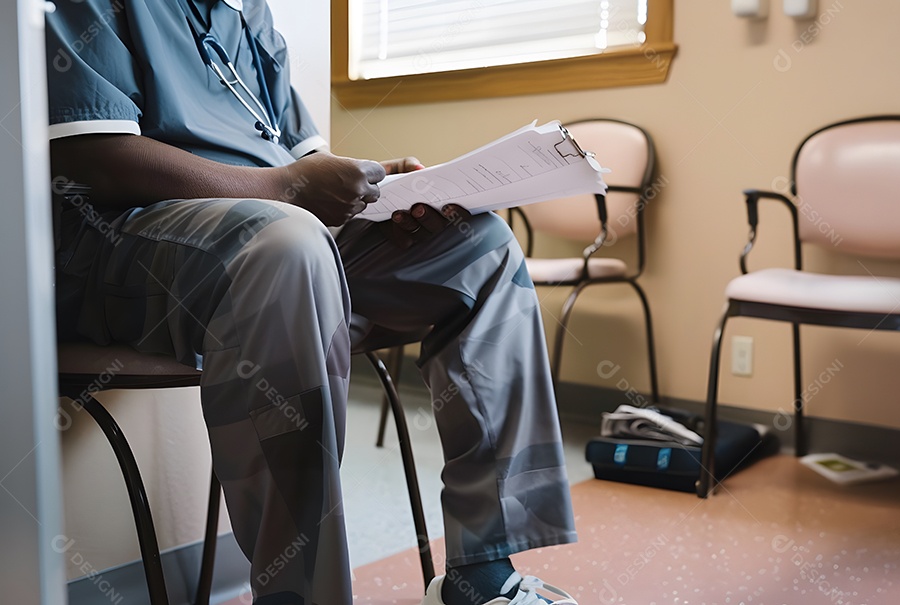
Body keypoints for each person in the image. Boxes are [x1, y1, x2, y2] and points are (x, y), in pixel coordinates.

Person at [45, 1, 578, 603]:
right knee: (290, 247)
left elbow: (303, 161)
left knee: (478, 244)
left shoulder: (246, 14)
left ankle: (480, 575)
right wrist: (284, 189)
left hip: (277, 233)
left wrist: (381, 189)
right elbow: (90, 156)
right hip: (129, 243)